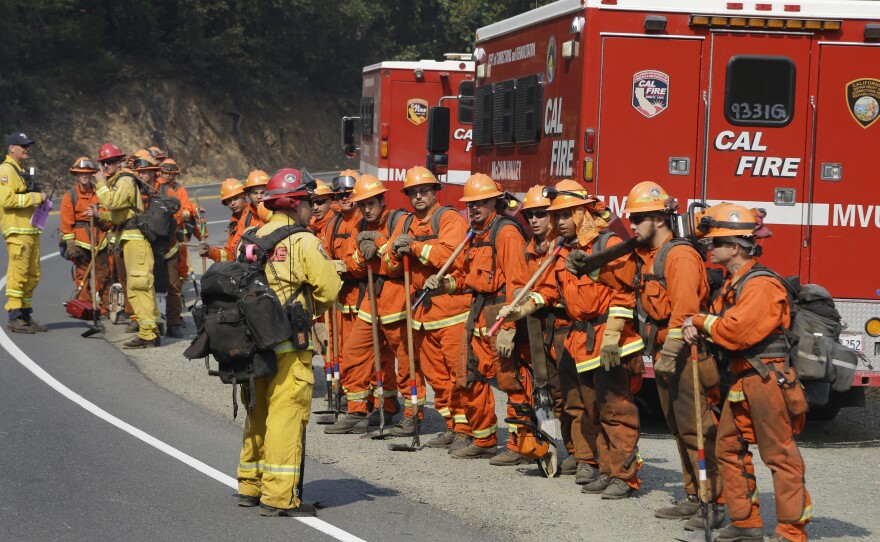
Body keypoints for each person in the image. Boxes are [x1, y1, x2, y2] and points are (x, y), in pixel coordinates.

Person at [498, 179, 644, 498]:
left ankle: (625, 475)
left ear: (581, 213)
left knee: (615, 411)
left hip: (609, 339)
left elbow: (626, 292)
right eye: (557, 216)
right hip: (581, 341)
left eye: (564, 215)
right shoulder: (566, 249)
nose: (557, 221)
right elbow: (550, 291)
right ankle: (607, 471)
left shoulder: (607, 245)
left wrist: (613, 337)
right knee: (592, 409)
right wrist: (520, 310)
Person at [682, 203, 811, 542]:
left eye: (715, 243)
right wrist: (702, 324)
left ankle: (791, 532)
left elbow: (736, 331)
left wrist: (699, 322)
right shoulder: (734, 283)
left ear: (735, 247)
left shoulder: (761, 285)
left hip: (767, 379)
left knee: (778, 455)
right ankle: (745, 524)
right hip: (745, 379)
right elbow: (720, 323)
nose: (709, 248)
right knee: (727, 447)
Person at [236, 168, 340, 517]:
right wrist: (311, 308)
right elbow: (329, 289)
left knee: (257, 413)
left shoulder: (249, 238)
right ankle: (280, 497)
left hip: (251, 346)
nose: (313, 207)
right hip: (288, 346)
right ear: (296, 203)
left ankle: (250, 485)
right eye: (309, 201)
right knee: (286, 416)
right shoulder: (304, 241)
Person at [623, 181, 724, 527]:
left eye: (638, 219)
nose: (632, 226)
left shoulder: (679, 256)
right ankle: (694, 496)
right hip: (668, 354)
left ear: (659, 220)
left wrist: (669, 353)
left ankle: (714, 503)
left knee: (697, 430)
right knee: (680, 429)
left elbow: (685, 312)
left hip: (686, 355)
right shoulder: (648, 256)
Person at [426, 173, 531, 462]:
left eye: (481, 203)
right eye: (471, 204)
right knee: (470, 375)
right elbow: (466, 278)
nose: (474, 209)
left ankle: (520, 445)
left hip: (500, 311)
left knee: (511, 381)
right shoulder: (475, 234)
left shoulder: (505, 233)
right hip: (478, 311)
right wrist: (444, 284)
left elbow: (517, 283)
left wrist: (509, 327)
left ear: (495, 203)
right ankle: (483, 439)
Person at [326, 174, 422, 434]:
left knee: (406, 362)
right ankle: (356, 411)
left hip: (398, 300)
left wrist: (378, 244)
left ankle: (411, 415)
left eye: (371, 203)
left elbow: (397, 262)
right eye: (362, 205)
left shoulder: (399, 220)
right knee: (354, 354)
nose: (366, 209)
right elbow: (356, 266)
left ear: (382, 200)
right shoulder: (359, 225)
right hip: (371, 300)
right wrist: (359, 253)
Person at [388, 166, 472, 447]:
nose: (418, 196)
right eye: (413, 192)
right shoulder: (406, 223)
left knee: (457, 375)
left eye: (424, 191)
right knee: (438, 378)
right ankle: (451, 425)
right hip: (422, 315)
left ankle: (465, 429)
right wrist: (391, 250)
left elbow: (450, 257)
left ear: (435, 192)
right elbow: (391, 263)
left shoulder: (449, 219)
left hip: (451, 313)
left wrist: (413, 248)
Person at [520, 185, 590, 481]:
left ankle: (587, 457)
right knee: (557, 396)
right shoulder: (536, 249)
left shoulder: (567, 247)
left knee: (581, 398)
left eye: (540, 214)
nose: (535, 220)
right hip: (543, 329)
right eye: (530, 216)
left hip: (570, 328)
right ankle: (575, 453)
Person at [96, 142, 161, 348]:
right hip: (130, 238)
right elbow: (119, 214)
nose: (106, 166)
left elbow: (113, 202)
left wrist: (100, 184)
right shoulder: (120, 180)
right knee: (139, 286)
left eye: (110, 162)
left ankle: (148, 334)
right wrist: (101, 215)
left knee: (138, 286)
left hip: (136, 240)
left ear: (119, 162)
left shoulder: (124, 180)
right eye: (103, 163)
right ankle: (151, 329)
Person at [0, 132, 48, 333]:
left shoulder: (20, 171)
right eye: (23, 145)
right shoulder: (6, 170)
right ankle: (14, 316)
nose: (26, 148)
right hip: (17, 231)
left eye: (28, 145)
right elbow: (6, 200)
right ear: (12, 148)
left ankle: (25, 316)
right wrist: (35, 198)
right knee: (18, 273)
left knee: (32, 274)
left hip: (30, 230)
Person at [60, 157, 111, 312]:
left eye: (87, 173)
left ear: (92, 175)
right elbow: (66, 223)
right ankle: (85, 306)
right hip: (81, 242)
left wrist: (98, 215)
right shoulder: (70, 196)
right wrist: (70, 244)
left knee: (103, 275)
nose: (84, 176)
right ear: (76, 175)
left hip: (99, 240)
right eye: (81, 173)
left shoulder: (100, 193)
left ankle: (106, 306)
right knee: (83, 275)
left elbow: (108, 214)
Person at [199, 179, 253, 263]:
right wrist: (210, 251)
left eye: (235, 198)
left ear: (244, 196)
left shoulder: (254, 215)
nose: (232, 203)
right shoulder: (234, 224)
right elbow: (230, 255)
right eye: (229, 200)